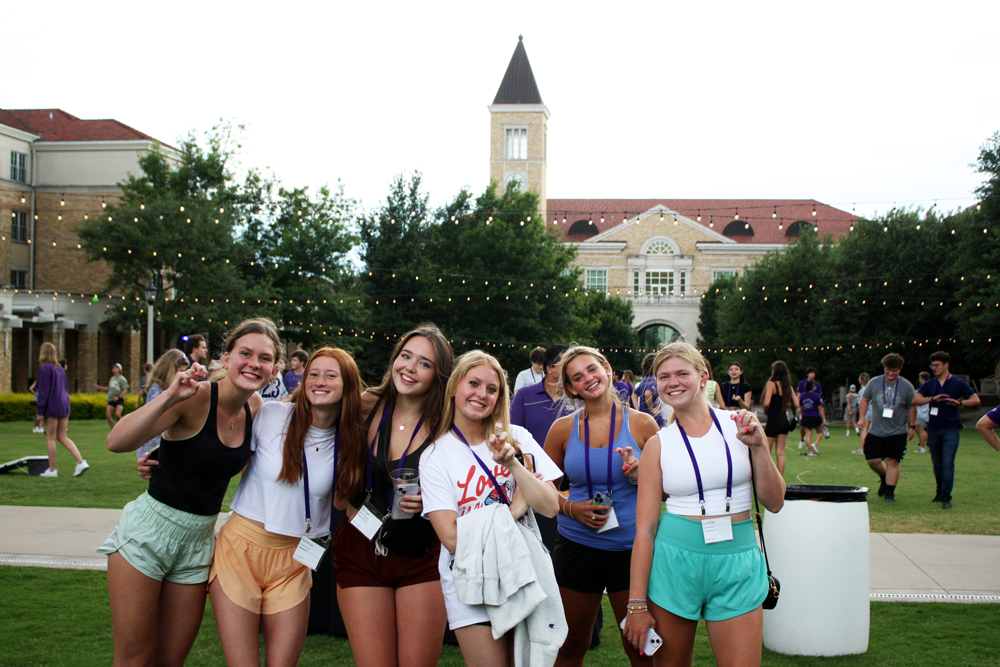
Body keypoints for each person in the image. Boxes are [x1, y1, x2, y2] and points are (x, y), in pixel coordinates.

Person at [99, 318, 281, 667]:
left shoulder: (256, 409)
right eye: (245, 353)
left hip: (198, 545)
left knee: (171, 660)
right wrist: (169, 395)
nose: (254, 363)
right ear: (226, 359)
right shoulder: (194, 397)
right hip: (146, 536)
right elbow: (115, 441)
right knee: (134, 659)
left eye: (264, 358)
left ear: (274, 369)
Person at [624, 342, 785, 666]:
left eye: (682, 373)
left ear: (703, 376)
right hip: (674, 562)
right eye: (664, 376)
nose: (673, 382)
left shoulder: (738, 425)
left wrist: (758, 448)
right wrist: (636, 604)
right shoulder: (658, 444)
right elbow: (644, 530)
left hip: (737, 559)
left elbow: (775, 501)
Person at [210, 347, 366, 667]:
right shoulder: (271, 416)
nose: (319, 381)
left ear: (348, 386)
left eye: (330, 375)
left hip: (294, 560)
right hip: (240, 550)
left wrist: (389, 526)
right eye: (313, 374)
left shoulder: (351, 441)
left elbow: (345, 506)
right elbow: (222, 447)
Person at [421, 350, 563, 666]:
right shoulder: (434, 456)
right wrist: (514, 510)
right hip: (470, 580)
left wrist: (513, 463)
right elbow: (452, 538)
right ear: (455, 386)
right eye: (473, 383)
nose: (481, 395)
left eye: (491, 389)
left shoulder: (517, 438)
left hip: (521, 569)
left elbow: (551, 505)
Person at [332, 323, 455, 667]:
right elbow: (306, 413)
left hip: (422, 555)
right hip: (360, 548)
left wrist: (434, 502)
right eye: (405, 356)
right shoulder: (364, 405)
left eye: (424, 363)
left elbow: (474, 476)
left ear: (438, 375)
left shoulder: (447, 421)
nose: (410, 368)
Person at [542, 346, 658, 667]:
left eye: (592, 369)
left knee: (640, 647)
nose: (588, 379)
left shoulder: (643, 425)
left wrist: (640, 476)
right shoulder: (562, 429)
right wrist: (572, 508)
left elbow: (667, 490)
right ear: (570, 388)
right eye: (577, 377)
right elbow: (542, 492)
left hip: (631, 549)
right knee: (570, 644)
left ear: (606, 368)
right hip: (577, 546)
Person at [913, 351, 980, 509]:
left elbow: (976, 399)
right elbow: (916, 399)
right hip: (934, 428)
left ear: (946, 365)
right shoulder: (930, 384)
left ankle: (946, 497)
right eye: (932, 365)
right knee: (937, 464)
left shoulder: (957, 383)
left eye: (937, 365)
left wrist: (960, 403)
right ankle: (939, 492)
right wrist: (932, 399)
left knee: (948, 463)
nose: (934, 368)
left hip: (951, 427)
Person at [858, 354, 916, 503]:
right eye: (888, 370)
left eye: (894, 370)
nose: (891, 373)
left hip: (897, 430)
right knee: (872, 459)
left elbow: (912, 406)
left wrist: (912, 426)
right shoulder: (875, 382)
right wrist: (862, 417)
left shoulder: (906, 386)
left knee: (893, 461)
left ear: (900, 369)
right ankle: (884, 477)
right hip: (876, 430)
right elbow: (865, 399)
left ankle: (890, 492)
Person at [35, 342, 88, 478]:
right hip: (64, 404)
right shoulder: (60, 369)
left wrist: (40, 411)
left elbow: (43, 392)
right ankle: (81, 462)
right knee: (62, 436)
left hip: (52, 406)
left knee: (51, 437)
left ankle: (52, 470)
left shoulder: (45, 369)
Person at [511, 344, 573, 446]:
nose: (572, 369)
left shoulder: (579, 397)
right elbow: (513, 434)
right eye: (566, 364)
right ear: (549, 368)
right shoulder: (524, 395)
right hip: (532, 461)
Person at [136, 350, 190, 460]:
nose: (183, 375)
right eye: (180, 371)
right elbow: (154, 416)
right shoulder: (157, 389)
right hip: (156, 440)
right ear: (171, 370)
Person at [762, 360, 799, 476]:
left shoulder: (771, 384)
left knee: (767, 452)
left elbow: (767, 403)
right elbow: (797, 404)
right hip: (784, 421)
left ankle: (768, 477)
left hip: (773, 420)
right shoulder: (789, 387)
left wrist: (765, 410)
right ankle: (780, 478)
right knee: (781, 452)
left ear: (775, 371)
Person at [633, 352, 666, 427]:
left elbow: (634, 394)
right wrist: (651, 409)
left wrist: (637, 409)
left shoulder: (645, 379)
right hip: (654, 418)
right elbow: (648, 393)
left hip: (643, 416)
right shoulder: (654, 379)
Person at [95, 363, 130, 430]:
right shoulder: (112, 378)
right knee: (108, 415)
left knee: (117, 415)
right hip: (111, 398)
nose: (114, 369)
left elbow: (125, 390)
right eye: (114, 367)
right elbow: (110, 388)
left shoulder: (122, 379)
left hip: (119, 399)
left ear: (120, 369)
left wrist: (118, 397)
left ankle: (122, 428)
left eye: (116, 368)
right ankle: (113, 429)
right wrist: (100, 388)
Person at [796, 367, 822, 449]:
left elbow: (819, 397)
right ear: (808, 374)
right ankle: (802, 439)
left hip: (813, 408)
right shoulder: (802, 383)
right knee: (803, 426)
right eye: (811, 373)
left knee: (811, 427)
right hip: (804, 407)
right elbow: (798, 395)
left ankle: (809, 443)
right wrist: (798, 406)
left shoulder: (817, 384)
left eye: (814, 373)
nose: (813, 374)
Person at [798, 380, 825, 457]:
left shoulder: (802, 396)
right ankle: (815, 444)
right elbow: (820, 408)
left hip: (806, 416)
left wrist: (802, 416)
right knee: (820, 432)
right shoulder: (816, 396)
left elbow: (801, 407)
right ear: (812, 387)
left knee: (808, 434)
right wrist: (824, 418)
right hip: (815, 416)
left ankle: (811, 451)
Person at [852, 373, 872, 455]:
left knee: (864, 429)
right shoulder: (870, 388)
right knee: (871, 430)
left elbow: (862, 402)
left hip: (867, 411)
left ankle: (862, 448)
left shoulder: (863, 389)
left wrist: (862, 416)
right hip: (872, 410)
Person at [913, 371, 931, 453]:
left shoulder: (924, 389)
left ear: (922, 379)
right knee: (917, 429)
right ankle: (930, 442)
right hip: (921, 413)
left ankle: (922, 448)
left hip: (921, 413)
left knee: (921, 430)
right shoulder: (929, 388)